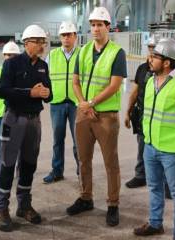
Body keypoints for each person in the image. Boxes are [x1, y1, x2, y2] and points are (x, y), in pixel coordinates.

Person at [133, 38, 175, 239]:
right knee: (154, 187)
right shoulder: (150, 80)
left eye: (155, 56)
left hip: (172, 151)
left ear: (167, 62)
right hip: (150, 146)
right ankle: (156, 223)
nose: (150, 59)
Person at [66, 6, 127, 227]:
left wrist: (92, 103)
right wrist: (83, 103)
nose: (95, 29)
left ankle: (113, 203)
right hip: (84, 114)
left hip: (106, 116)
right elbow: (75, 81)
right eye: (92, 24)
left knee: (111, 162)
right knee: (83, 159)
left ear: (108, 27)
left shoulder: (116, 53)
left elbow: (114, 85)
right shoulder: (82, 51)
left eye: (100, 25)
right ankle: (86, 197)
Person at [0, 24, 52, 232]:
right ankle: (1, 208)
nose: (42, 45)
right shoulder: (12, 64)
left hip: (34, 121)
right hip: (14, 119)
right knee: (7, 163)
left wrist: (46, 93)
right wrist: (30, 93)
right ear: (27, 43)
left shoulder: (43, 66)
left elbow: (49, 93)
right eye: (38, 42)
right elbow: (3, 92)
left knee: (29, 164)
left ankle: (24, 205)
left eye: (43, 42)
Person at [43, 21, 80, 183]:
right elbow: (43, 77)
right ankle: (57, 170)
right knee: (57, 139)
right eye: (63, 35)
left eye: (69, 35)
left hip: (76, 103)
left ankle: (82, 171)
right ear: (60, 37)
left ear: (75, 37)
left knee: (79, 140)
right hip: (57, 103)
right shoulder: (52, 56)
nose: (66, 38)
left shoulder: (82, 54)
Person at [123, 37, 155, 188]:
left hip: (160, 118)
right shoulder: (142, 69)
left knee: (164, 151)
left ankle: (166, 181)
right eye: (150, 47)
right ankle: (141, 175)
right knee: (142, 146)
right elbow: (135, 92)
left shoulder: (167, 71)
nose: (152, 50)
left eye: (154, 47)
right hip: (143, 115)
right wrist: (128, 112)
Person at [0, 41, 21, 184]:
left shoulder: (22, 70)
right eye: (8, 55)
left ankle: (18, 173)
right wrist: (15, 92)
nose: (10, 57)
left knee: (18, 143)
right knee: (0, 144)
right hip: (0, 113)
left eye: (13, 55)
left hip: (17, 112)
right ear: (3, 55)